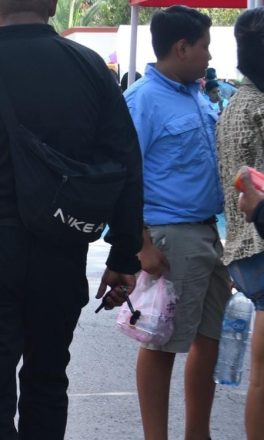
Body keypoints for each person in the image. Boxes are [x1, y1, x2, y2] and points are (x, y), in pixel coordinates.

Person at [0, 0, 144, 438]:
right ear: (53, 5)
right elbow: (125, 163)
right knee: (48, 377)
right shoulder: (89, 67)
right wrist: (124, 252)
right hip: (59, 246)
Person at [124, 6, 229, 440]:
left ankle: (197, 433)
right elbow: (124, 178)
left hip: (207, 232)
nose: (208, 55)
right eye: (204, 46)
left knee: (209, 340)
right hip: (170, 237)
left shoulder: (197, 93)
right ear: (182, 47)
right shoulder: (142, 101)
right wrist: (141, 245)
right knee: (161, 342)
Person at [217, 7, 264, 438]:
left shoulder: (236, 103)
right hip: (262, 243)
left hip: (242, 249)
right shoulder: (261, 106)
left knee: (260, 375)